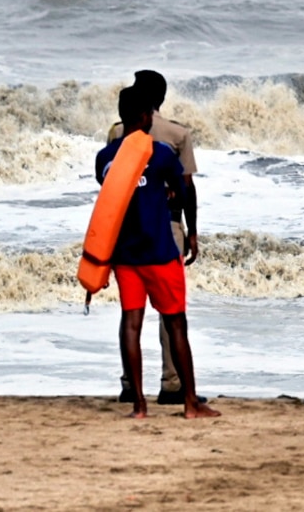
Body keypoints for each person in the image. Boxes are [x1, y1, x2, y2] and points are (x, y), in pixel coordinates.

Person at [96, 86, 218, 419]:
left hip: (125, 256)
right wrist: (166, 197)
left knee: (131, 324)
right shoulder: (161, 153)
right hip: (160, 252)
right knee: (176, 324)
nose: (152, 118)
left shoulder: (105, 158)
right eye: (149, 113)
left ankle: (138, 405)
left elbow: (110, 198)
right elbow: (182, 193)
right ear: (143, 116)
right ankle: (191, 403)